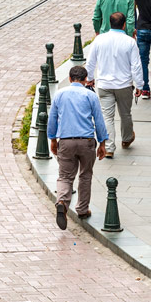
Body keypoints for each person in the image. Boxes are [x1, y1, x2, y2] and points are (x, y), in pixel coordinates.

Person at [47, 65, 108, 229]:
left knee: (65, 176)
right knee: (85, 175)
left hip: (66, 141)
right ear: (86, 80)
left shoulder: (59, 94)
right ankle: (82, 208)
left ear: (69, 78)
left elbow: (52, 119)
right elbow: (99, 120)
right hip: (86, 141)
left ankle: (62, 201)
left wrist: (53, 139)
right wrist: (102, 143)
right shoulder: (90, 95)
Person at [86, 11, 143, 156]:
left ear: (110, 23)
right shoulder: (130, 42)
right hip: (124, 84)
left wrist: (89, 78)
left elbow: (91, 61)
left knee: (107, 116)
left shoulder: (99, 40)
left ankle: (109, 147)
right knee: (125, 114)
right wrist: (140, 85)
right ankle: (126, 138)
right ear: (124, 25)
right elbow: (136, 65)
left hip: (104, 84)